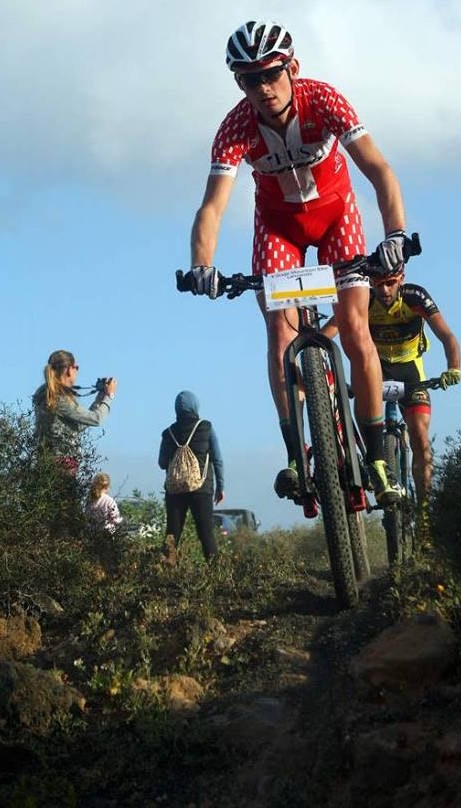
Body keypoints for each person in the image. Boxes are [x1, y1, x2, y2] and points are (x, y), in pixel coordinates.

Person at [184, 20, 408, 506]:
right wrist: (202, 264)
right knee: (280, 335)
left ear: (293, 68)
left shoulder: (324, 100)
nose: (262, 89)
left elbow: (378, 169)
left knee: (353, 329)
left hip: (336, 219)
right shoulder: (236, 127)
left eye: (270, 74)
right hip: (279, 228)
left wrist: (394, 235)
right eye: (248, 80)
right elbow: (213, 207)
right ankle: (296, 456)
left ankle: (378, 457)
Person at [322, 267, 461, 506]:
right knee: (359, 407)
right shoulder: (364, 299)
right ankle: (373, 464)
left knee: (419, 437)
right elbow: (327, 334)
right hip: (378, 369)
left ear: (401, 280)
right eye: (378, 284)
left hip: (411, 372)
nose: (384, 290)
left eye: (390, 282)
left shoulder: (415, 297)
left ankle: (424, 511)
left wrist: (453, 368)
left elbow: (447, 335)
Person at [158, 390, 224, 564]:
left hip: (174, 490)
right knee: (206, 533)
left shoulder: (168, 433)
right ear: (195, 406)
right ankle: (217, 575)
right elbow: (217, 459)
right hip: (201, 489)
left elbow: (162, 463)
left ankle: (164, 575)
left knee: (172, 534)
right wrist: (221, 487)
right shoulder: (206, 427)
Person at [33, 349, 117, 471]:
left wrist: (98, 401)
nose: (77, 371)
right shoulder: (59, 398)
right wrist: (109, 396)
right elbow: (96, 419)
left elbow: (78, 425)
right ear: (68, 370)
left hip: (45, 460)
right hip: (62, 463)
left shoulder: (46, 394)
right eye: (76, 367)